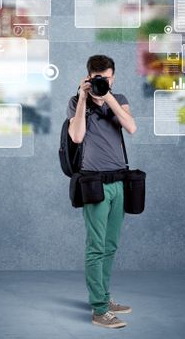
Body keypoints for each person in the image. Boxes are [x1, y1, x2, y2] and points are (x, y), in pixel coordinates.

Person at [67, 55, 137, 329]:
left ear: (113, 77)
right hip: (94, 183)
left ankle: (105, 298)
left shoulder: (118, 98)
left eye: (106, 79)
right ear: (88, 77)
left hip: (119, 182)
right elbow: (76, 137)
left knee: (111, 246)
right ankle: (98, 310)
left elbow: (131, 127)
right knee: (96, 247)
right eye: (97, 79)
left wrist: (107, 97)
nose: (102, 82)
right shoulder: (76, 102)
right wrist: (84, 98)